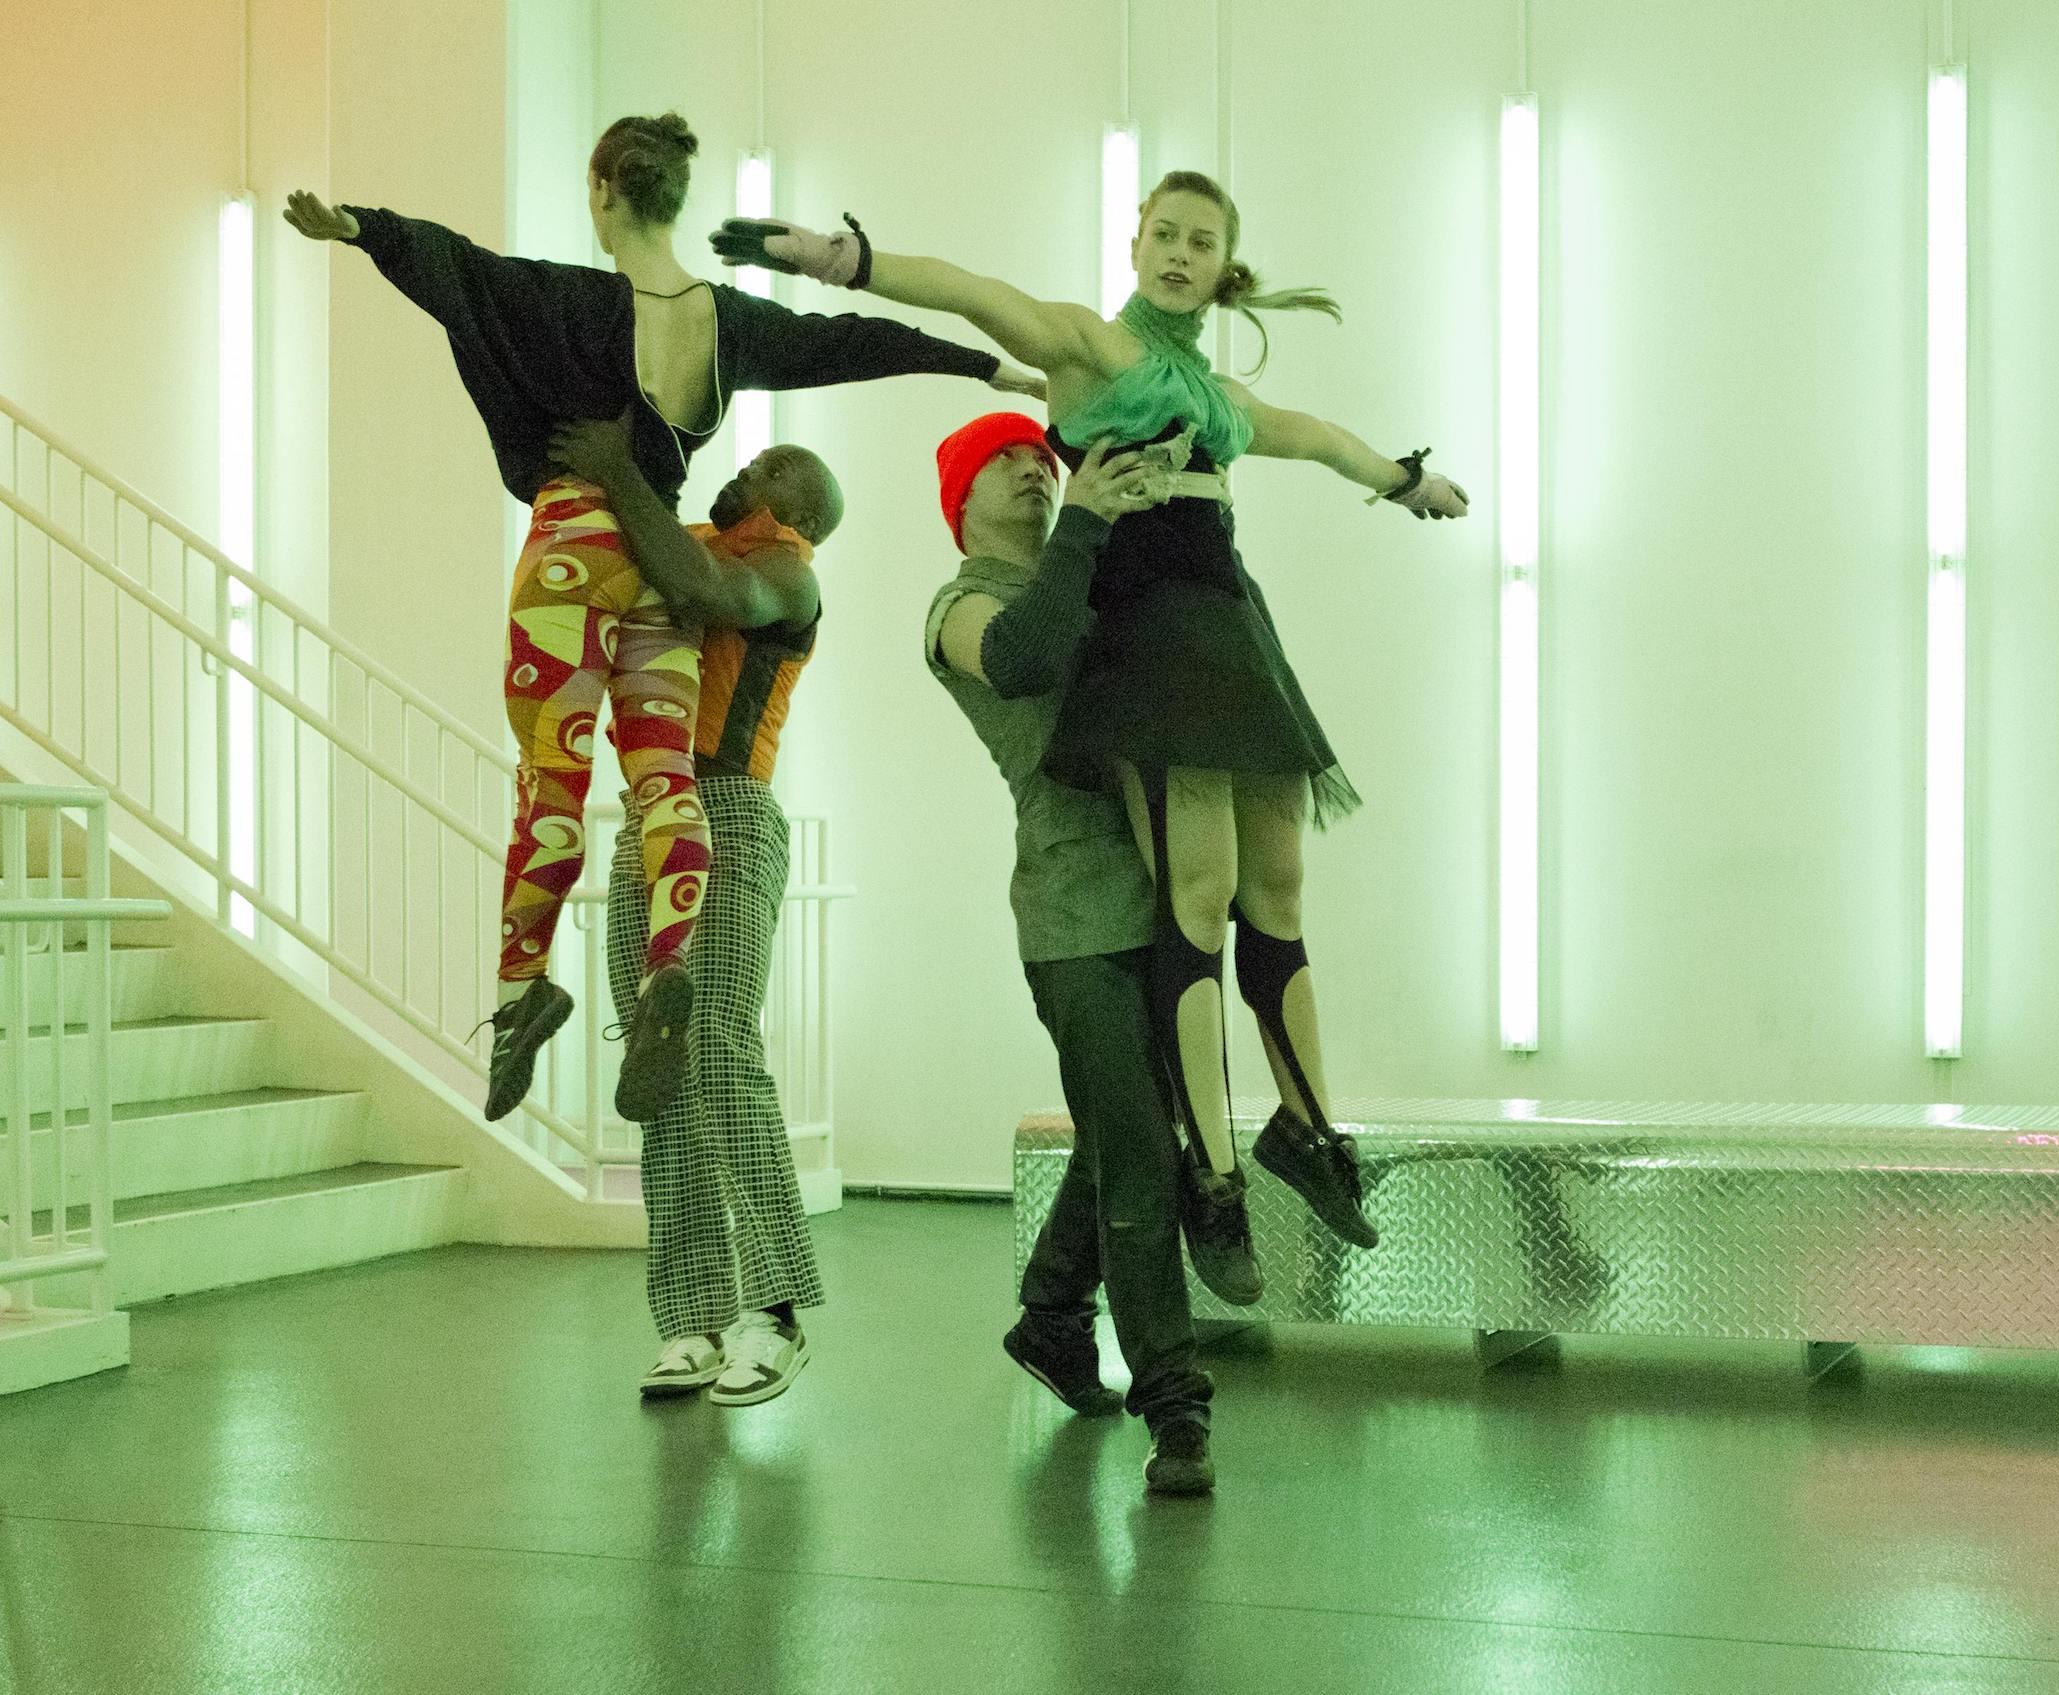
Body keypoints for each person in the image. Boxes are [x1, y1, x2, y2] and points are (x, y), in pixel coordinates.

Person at [711, 171, 1469, 1263]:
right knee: (1198, 895)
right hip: (1153, 634)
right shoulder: (1089, 348)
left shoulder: (1218, 399)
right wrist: (847, 262)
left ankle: (1309, 1128)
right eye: (1163, 234)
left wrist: (1401, 480)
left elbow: (1311, 435)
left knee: (1280, 888)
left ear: (1221, 265)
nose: (1177, 253)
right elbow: (973, 293)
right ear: (1135, 244)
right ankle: (1212, 1177)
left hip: (1232, 628)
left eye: (1200, 241)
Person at [284, 111, 1041, 1124]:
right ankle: (663, 974)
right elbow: (847, 344)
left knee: (551, 781)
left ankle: (520, 995)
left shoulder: (559, 297)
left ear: (603, 191)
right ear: (676, 201)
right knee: (661, 779)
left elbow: (453, 270)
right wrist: (988, 368)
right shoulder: (723, 324)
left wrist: (359, 227)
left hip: (569, 557)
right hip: (653, 561)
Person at [925, 412, 1234, 1495]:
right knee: (1144, 1155)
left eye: (1036, 458)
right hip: (1073, 916)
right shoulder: (963, 609)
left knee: (1129, 1134)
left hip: (1168, 905)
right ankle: (1176, 1405)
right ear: (960, 500)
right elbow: (1025, 662)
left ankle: (1054, 1313)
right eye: (1003, 461)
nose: (1030, 470)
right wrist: (1089, 527)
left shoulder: (1085, 576)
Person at [548, 415, 835, 1407]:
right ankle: (692, 1323)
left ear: (793, 510)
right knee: (657, 1065)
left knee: (714, 1045)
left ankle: (778, 1311)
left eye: (767, 471)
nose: (744, 470)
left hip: (727, 815)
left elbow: (709, 593)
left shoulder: (788, 573)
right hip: (648, 823)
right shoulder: (688, 540)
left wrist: (619, 472)